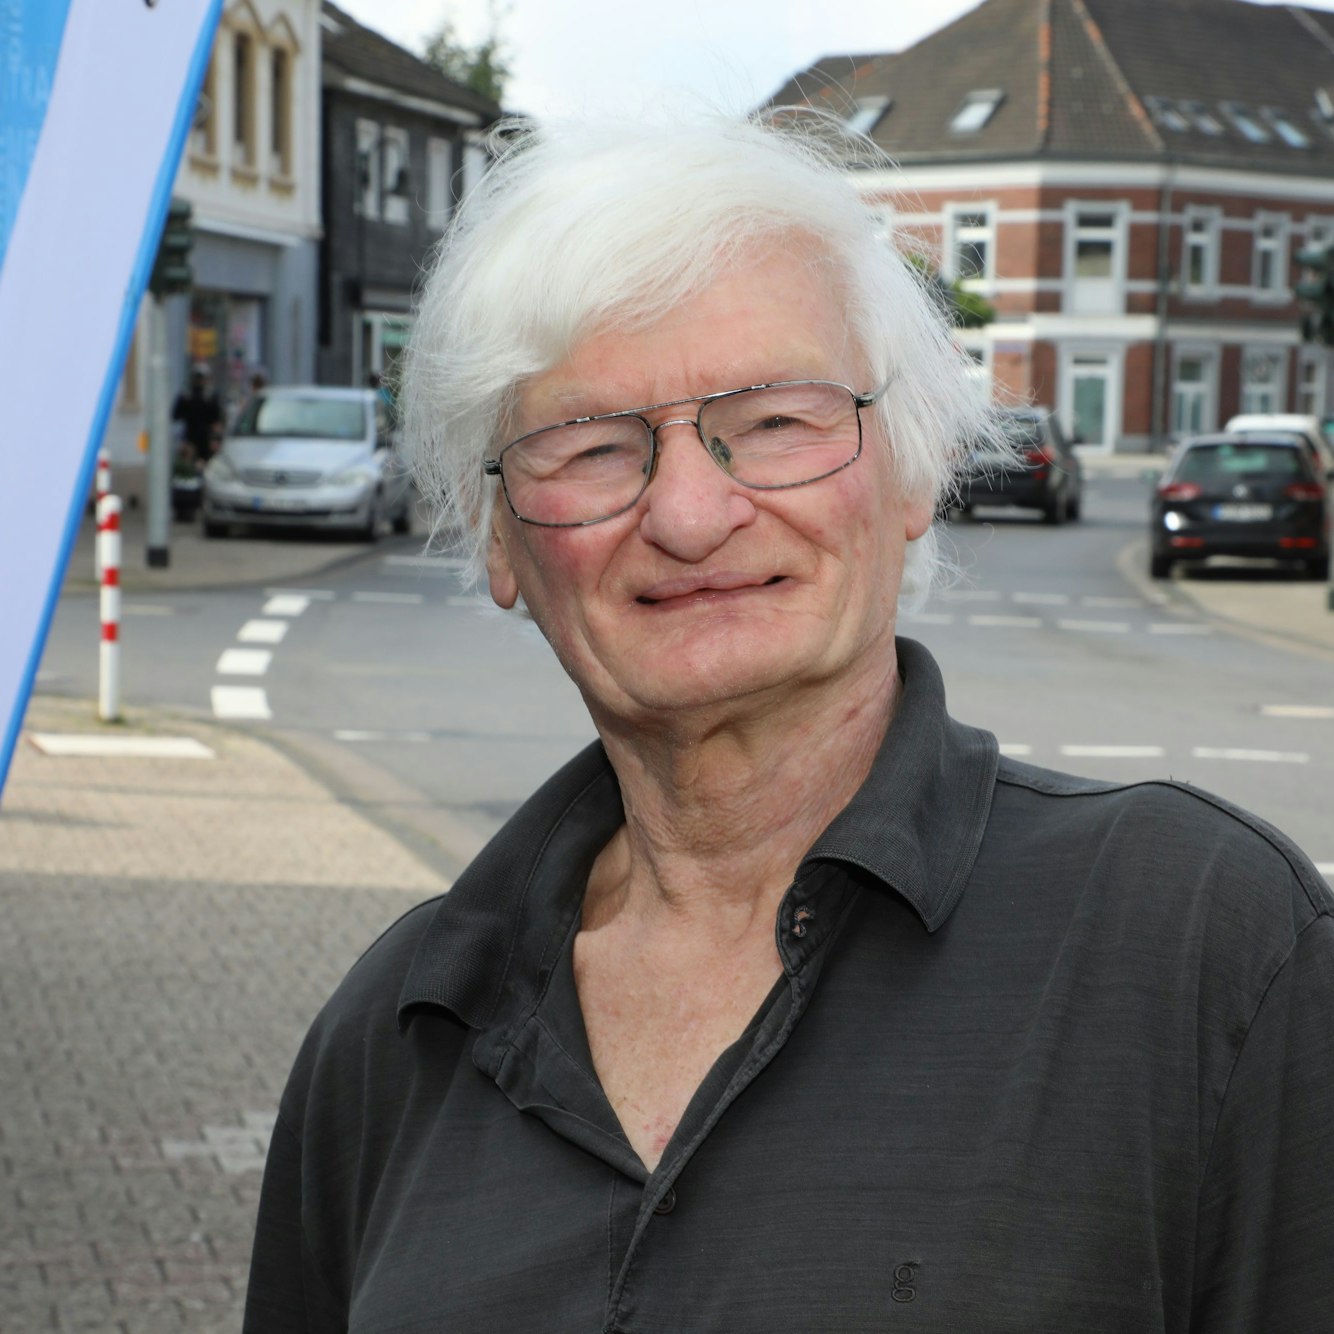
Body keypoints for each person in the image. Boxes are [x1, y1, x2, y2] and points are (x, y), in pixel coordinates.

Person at [243, 115, 1334, 1331]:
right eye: (593, 445)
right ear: (499, 536)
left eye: (775, 420)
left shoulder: (1200, 947)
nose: (692, 512)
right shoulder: (391, 1036)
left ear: (912, 467)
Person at [171, 365, 222, 464]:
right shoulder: (206, 397)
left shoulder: (188, 397)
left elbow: (175, 416)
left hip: (200, 439)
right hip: (195, 439)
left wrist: (215, 439)